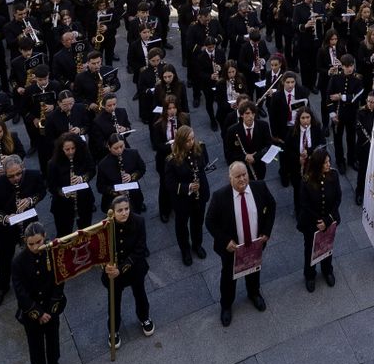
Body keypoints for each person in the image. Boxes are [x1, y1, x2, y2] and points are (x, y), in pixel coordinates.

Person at [205, 161, 275, 327]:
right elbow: (210, 221)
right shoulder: (220, 196)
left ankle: (254, 294)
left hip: (255, 244)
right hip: (232, 249)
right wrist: (225, 241)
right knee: (229, 277)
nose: (242, 179)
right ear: (230, 179)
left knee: (254, 269)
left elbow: (272, 206)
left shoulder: (260, 187)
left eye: (244, 174)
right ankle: (226, 305)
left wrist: (266, 231)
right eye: (238, 176)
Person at [11, 220, 65, 364]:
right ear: (25, 242)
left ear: (45, 238)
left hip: (51, 306)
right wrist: (38, 312)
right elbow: (20, 291)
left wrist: (50, 308)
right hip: (32, 312)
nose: (35, 247)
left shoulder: (52, 253)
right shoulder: (18, 262)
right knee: (34, 340)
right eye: (31, 244)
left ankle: (54, 363)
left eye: (39, 242)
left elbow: (59, 279)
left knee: (52, 335)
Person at [0, 154, 45, 309]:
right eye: (11, 176)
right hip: (8, 227)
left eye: (19, 174)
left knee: (35, 252)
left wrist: (31, 200)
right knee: (5, 258)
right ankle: (2, 287)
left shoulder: (33, 175)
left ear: (23, 168)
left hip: (29, 222)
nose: (16, 178)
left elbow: (42, 191)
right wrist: (6, 218)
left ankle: (37, 279)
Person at [101, 196, 153, 349]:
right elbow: (100, 251)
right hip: (113, 274)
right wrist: (106, 267)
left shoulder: (138, 221)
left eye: (126, 209)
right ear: (113, 212)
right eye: (120, 210)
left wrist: (121, 268)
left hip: (134, 268)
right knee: (114, 302)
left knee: (140, 294)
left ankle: (144, 318)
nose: (124, 213)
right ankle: (113, 329)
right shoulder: (105, 227)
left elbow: (140, 249)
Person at [296, 147, 341, 292]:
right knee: (310, 249)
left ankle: (327, 270)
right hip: (311, 223)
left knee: (327, 246)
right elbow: (304, 204)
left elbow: (337, 199)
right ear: (317, 164)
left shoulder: (333, 176)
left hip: (329, 220)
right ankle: (310, 275)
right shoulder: (307, 181)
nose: (328, 164)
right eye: (325, 162)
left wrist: (328, 220)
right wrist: (318, 222)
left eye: (329, 161)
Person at [164, 125, 210, 266]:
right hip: (182, 200)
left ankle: (197, 245)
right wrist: (188, 187)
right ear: (180, 142)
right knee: (182, 226)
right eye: (188, 140)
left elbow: (204, 164)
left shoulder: (200, 148)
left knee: (198, 222)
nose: (191, 142)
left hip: (200, 195)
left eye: (192, 139)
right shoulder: (172, 160)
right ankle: (185, 250)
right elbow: (170, 184)